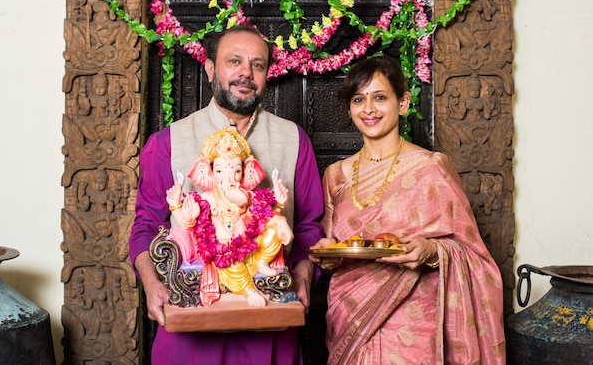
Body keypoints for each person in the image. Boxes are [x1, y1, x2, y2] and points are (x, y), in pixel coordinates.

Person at [129, 23, 325, 365]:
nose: (246, 73)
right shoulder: (168, 142)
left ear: (266, 74)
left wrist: (305, 275)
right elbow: (145, 226)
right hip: (191, 324)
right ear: (209, 69)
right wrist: (151, 282)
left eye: (258, 65)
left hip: (269, 322)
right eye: (234, 61)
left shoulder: (294, 140)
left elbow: (309, 227)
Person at [309, 56, 506, 364]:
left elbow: (474, 255)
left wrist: (432, 249)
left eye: (380, 97)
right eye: (359, 99)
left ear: (403, 103)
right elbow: (334, 244)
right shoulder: (335, 175)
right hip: (351, 316)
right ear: (350, 109)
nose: (369, 109)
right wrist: (326, 254)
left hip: (413, 324)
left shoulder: (431, 167)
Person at [165, 127, 294, 307]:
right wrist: (177, 206)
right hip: (224, 253)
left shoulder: (247, 195)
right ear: (209, 172)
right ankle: (249, 290)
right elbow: (187, 226)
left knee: (273, 231)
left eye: (236, 171)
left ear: (245, 171)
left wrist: (279, 212)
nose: (229, 177)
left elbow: (264, 216)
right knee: (229, 261)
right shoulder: (207, 198)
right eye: (220, 171)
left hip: (251, 250)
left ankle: (262, 263)